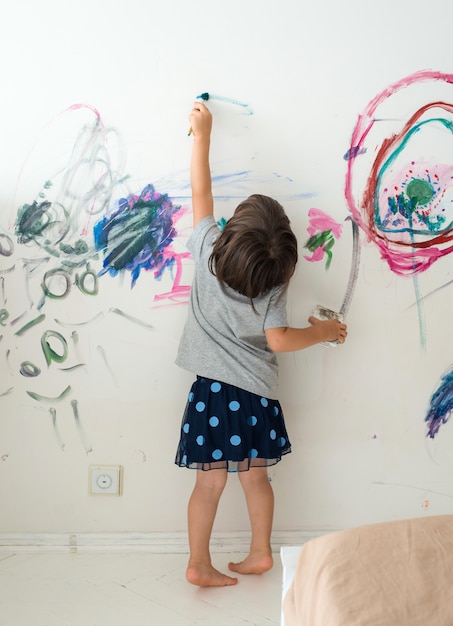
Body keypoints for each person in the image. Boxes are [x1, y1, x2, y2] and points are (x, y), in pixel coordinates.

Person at [175, 101, 347, 588]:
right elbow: (278, 338)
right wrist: (322, 331)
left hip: (210, 394)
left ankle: (198, 563)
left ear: (230, 234)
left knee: (207, 484)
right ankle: (258, 554)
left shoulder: (207, 245)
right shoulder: (272, 285)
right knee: (257, 478)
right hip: (253, 397)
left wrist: (202, 133)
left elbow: (200, 189)